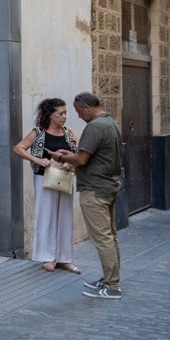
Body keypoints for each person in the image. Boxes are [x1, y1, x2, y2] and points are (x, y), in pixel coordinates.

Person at [51, 92, 124, 300]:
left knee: (102, 239)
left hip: (95, 189)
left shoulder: (95, 127)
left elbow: (82, 159)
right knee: (110, 236)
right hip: (109, 185)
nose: (79, 116)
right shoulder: (110, 122)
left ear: (87, 107)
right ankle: (111, 278)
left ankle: (112, 285)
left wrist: (62, 156)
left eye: (78, 111)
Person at [12, 98, 79, 273]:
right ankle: (47, 258)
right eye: (60, 113)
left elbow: (81, 153)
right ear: (50, 115)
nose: (64, 116)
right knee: (45, 216)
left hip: (65, 177)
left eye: (65, 113)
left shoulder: (69, 132)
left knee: (65, 216)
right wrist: (36, 159)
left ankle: (65, 258)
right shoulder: (38, 132)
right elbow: (18, 148)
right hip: (43, 177)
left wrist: (71, 164)